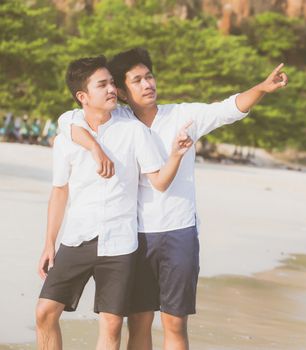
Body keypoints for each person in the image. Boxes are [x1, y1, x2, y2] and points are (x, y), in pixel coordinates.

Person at [58, 47, 288, 350]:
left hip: (179, 231)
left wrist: (260, 89)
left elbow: (226, 109)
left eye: (149, 76)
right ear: (123, 91)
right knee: (139, 320)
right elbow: (69, 120)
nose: (147, 84)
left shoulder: (182, 115)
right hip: (136, 236)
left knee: (174, 322)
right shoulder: (119, 120)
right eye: (137, 80)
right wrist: (95, 147)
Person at [36, 55, 194, 350]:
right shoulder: (68, 133)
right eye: (103, 85)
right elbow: (60, 191)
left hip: (120, 243)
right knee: (45, 312)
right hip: (78, 238)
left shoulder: (133, 129)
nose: (112, 89)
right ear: (83, 96)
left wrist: (175, 155)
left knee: (111, 325)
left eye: (112, 83)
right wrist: (49, 243)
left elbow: (158, 181)